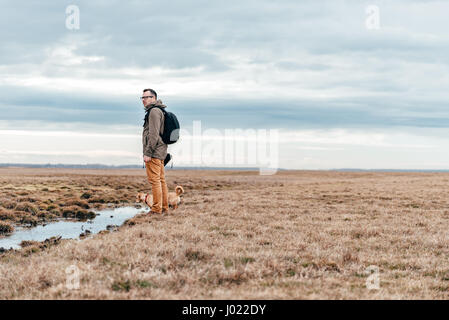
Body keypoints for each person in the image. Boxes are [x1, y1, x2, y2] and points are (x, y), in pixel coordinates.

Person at [141, 88, 169, 214]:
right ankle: (164, 207)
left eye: (146, 97)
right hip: (160, 151)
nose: (143, 100)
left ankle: (157, 209)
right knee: (160, 180)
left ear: (154, 98)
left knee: (155, 181)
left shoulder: (154, 112)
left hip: (154, 152)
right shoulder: (159, 110)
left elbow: (153, 135)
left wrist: (148, 152)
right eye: (142, 98)